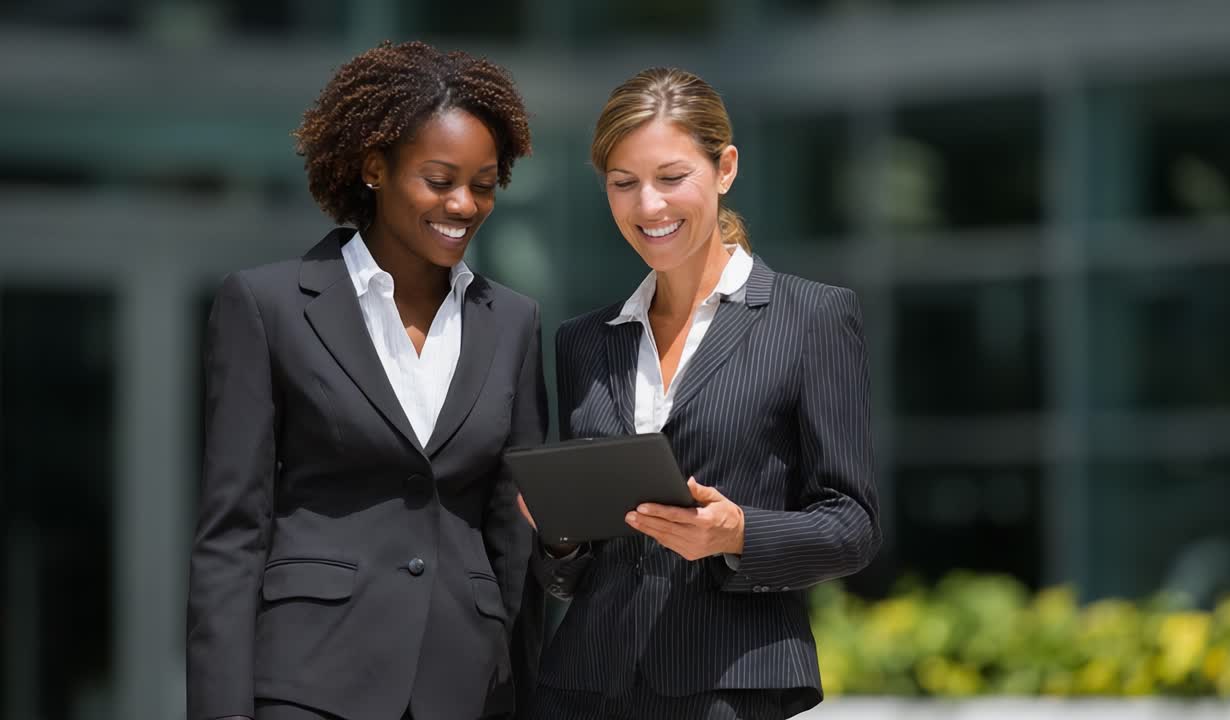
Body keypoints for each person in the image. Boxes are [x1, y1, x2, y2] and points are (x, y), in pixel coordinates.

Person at [186, 42, 546, 720]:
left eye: (483, 184)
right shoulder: (268, 307)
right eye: (439, 180)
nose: (464, 204)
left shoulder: (514, 322)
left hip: (467, 688)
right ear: (375, 168)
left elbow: (513, 535)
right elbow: (232, 533)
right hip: (309, 682)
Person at [524, 68, 881, 719]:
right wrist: (560, 538)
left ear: (726, 169)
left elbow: (852, 526)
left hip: (730, 687)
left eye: (671, 177)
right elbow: (570, 575)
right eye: (623, 183)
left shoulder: (812, 318)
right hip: (582, 689)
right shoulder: (584, 342)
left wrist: (738, 533)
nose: (648, 207)